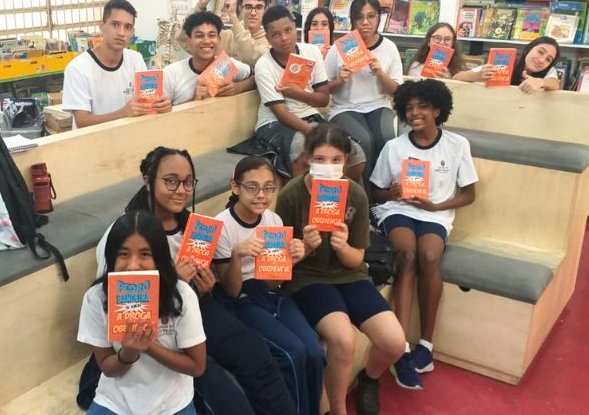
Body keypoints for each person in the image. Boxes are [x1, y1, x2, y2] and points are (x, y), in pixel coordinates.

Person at [86, 147, 295, 415]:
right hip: (154, 324)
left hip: (198, 308)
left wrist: (205, 286)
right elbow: (114, 300)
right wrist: (170, 281)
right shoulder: (125, 233)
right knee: (219, 388)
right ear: (148, 181)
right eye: (170, 180)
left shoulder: (196, 227)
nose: (181, 190)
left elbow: (206, 287)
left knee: (257, 354)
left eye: (188, 182)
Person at [276, 124, 405, 415]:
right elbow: (279, 259)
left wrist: (343, 245)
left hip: (350, 275)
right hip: (307, 279)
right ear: (308, 158)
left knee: (394, 342)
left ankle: (369, 379)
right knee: (342, 339)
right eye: (320, 159)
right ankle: (337, 410)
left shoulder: (355, 194)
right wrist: (304, 247)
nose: (328, 167)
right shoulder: (291, 195)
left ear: (346, 161)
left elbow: (357, 259)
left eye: (336, 160)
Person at [370, 79, 478, 390]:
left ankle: (426, 346)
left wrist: (437, 205)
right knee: (407, 254)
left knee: (430, 255)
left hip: (436, 212)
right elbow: (376, 193)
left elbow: (469, 194)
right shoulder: (395, 147)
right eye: (409, 108)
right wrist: (391, 194)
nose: (415, 113)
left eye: (422, 107)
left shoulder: (457, 145)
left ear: (438, 109)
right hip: (399, 211)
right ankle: (400, 348)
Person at [213, 156, 326, 415]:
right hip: (240, 299)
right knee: (292, 353)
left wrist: (298, 254)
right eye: (252, 187)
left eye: (269, 187)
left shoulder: (273, 220)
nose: (261, 195)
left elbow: (273, 281)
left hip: (270, 294)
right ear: (235, 187)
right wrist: (237, 256)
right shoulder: (222, 226)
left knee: (314, 353)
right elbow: (230, 291)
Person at [77, 210, 207, 414]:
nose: (133, 266)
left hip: (172, 405)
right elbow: (106, 367)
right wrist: (127, 354)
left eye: (145, 254)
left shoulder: (181, 295)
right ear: (111, 257)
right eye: (123, 254)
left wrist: (148, 346)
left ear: (159, 259)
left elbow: (197, 366)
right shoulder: (96, 298)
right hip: (115, 402)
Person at [232, 5, 365, 182]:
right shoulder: (264, 65)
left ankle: (340, 198)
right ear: (268, 38)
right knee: (301, 151)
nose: (284, 38)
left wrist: (297, 93)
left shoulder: (311, 52)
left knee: (356, 153)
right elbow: (281, 113)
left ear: (296, 27)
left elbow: (323, 99)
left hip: (310, 116)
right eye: (276, 35)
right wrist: (312, 132)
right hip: (273, 123)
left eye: (288, 30)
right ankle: (301, 203)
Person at [324, 0, 404, 193]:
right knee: (365, 140)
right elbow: (323, 89)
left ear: (379, 18)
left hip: (379, 105)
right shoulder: (339, 47)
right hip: (344, 108)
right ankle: (368, 199)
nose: (365, 23)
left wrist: (380, 73)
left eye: (371, 16)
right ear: (352, 19)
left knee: (385, 138)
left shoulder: (389, 48)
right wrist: (340, 80)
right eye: (359, 18)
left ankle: (385, 192)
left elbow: (397, 92)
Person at [63, 0, 171, 128]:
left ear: (132, 32)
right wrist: (123, 113)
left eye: (128, 27)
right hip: (93, 143)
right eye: (115, 24)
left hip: (129, 140)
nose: (121, 33)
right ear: (102, 26)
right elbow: (82, 121)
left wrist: (162, 104)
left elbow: (148, 104)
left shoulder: (136, 59)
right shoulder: (77, 69)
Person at [163, 11, 254, 105]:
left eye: (212, 35)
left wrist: (238, 87)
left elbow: (256, 76)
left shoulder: (227, 64)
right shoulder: (171, 73)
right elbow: (159, 115)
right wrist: (193, 100)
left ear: (219, 40)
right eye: (199, 36)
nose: (206, 41)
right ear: (188, 41)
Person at [179, 0, 272, 66]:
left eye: (259, 7)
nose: (253, 13)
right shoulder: (226, 37)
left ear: (265, 10)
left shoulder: (270, 40)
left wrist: (233, 15)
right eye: (248, 7)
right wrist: (200, 5)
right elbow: (183, 38)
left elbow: (258, 60)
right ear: (240, 8)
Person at [453, 37, 561, 94]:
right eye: (540, 52)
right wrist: (478, 76)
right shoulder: (505, 61)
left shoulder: (549, 71)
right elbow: (457, 77)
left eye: (548, 59)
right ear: (527, 49)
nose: (542, 60)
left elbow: (555, 84)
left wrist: (540, 82)